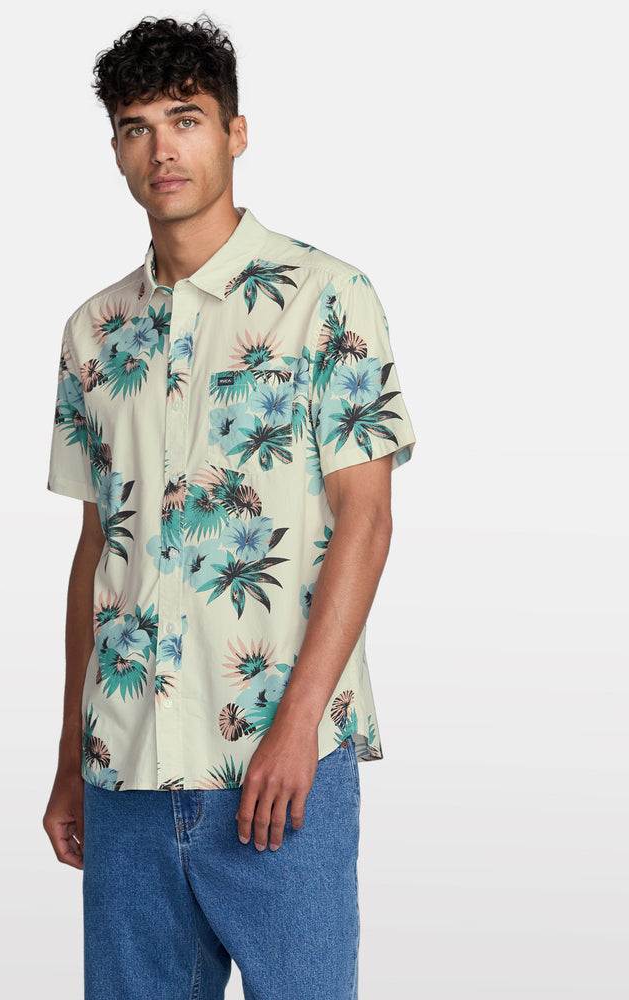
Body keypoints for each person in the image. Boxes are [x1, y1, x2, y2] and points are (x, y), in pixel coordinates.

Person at [43, 16, 415, 1000]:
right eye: (135, 128)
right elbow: (96, 551)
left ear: (235, 132)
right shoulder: (92, 332)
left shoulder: (326, 298)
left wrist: (295, 728)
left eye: (185, 118)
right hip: (124, 775)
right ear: (115, 149)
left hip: (279, 770)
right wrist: (71, 758)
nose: (161, 150)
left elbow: (367, 520)